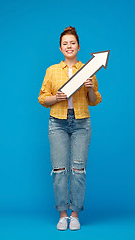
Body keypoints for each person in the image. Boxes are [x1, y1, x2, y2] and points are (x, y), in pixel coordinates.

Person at [38, 26, 102, 230]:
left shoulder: (88, 70)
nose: (69, 46)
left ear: (78, 46)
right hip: (57, 122)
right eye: (65, 43)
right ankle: (62, 214)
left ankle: (75, 214)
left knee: (78, 170)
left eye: (72, 43)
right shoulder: (52, 70)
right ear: (60, 48)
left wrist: (90, 89)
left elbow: (94, 101)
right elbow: (42, 98)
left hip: (81, 122)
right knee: (59, 170)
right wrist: (55, 97)